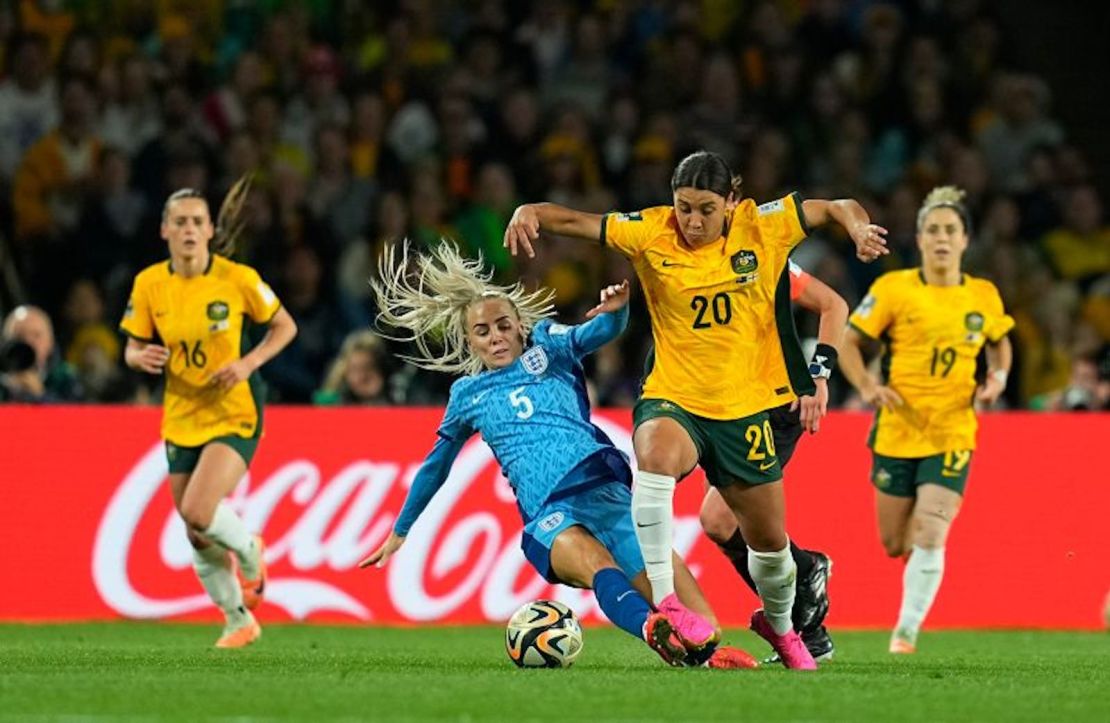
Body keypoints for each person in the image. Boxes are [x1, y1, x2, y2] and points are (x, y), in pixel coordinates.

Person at [503, 149, 888, 669]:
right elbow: (576, 220)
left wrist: (858, 228)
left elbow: (836, 207)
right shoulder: (651, 231)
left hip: (749, 408)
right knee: (657, 457)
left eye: (706, 208)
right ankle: (667, 605)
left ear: (732, 201)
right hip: (675, 397)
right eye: (684, 207)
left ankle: (783, 629)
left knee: (768, 545)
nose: (693, 220)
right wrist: (531, 210)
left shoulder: (764, 230)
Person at [359, 241, 756, 670]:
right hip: (552, 515)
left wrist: (618, 310)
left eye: (503, 326)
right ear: (468, 341)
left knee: (704, 630)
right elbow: (437, 466)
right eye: (483, 331)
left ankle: (699, 654)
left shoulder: (549, 346)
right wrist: (401, 530)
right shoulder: (467, 395)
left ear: (519, 326)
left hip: (607, 495)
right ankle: (649, 629)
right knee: (598, 565)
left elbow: (598, 333)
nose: (496, 337)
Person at [119, 176, 298, 648]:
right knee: (197, 532)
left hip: (234, 408)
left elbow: (284, 327)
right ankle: (238, 620)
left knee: (197, 509)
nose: (189, 230)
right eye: (179, 222)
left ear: (210, 231)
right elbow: (132, 348)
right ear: (164, 231)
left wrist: (247, 363)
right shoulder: (150, 284)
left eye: (197, 221)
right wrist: (140, 357)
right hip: (181, 412)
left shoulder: (237, 279)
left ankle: (250, 548)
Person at [838, 186, 1014, 654]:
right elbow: (850, 342)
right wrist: (868, 387)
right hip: (897, 429)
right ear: (919, 239)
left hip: (953, 429)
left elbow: (1000, 342)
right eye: (932, 229)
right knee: (895, 542)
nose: (941, 238)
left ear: (964, 241)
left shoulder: (982, 295)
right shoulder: (894, 289)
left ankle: (906, 632)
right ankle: (913, 588)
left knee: (931, 529)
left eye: (950, 230)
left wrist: (997, 377)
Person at [698, 260, 847, 663]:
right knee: (721, 523)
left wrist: (818, 376)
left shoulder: (761, 254)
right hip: (723, 404)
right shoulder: (682, 258)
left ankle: (806, 584)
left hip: (775, 402)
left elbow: (833, 305)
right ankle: (808, 627)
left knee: (718, 518)